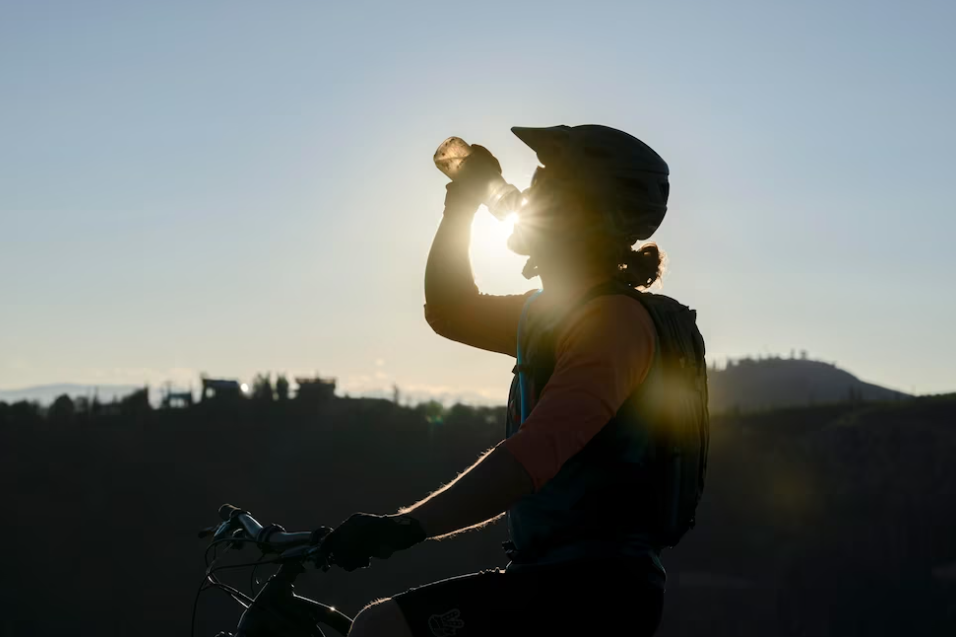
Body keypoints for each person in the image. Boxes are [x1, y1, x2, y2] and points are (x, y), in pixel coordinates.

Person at [322, 125, 709, 637]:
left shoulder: (611, 324)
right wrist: (461, 205)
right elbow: (450, 311)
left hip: (594, 590)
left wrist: (405, 526)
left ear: (584, 216)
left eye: (545, 188)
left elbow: (530, 458)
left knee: (383, 628)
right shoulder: (557, 314)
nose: (526, 196)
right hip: (554, 577)